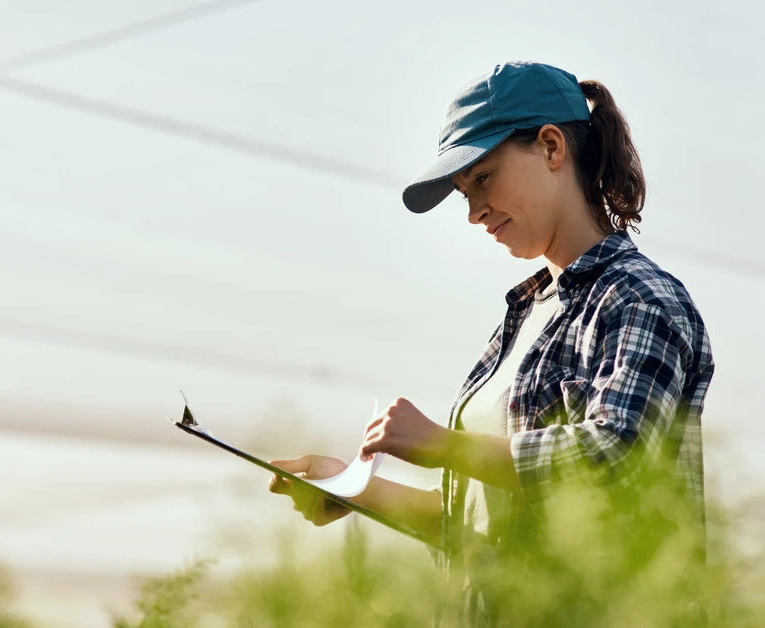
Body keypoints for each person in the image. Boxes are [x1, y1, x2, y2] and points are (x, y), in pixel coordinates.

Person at [267, 61, 715, 624]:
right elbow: (491, 527)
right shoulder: (526, 313)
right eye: (464, 193)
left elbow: (614, 459)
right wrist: (356, 489)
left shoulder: (639, 299)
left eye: (483, 178)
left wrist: (443, 446)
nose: (475, 212)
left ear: (552, 147)